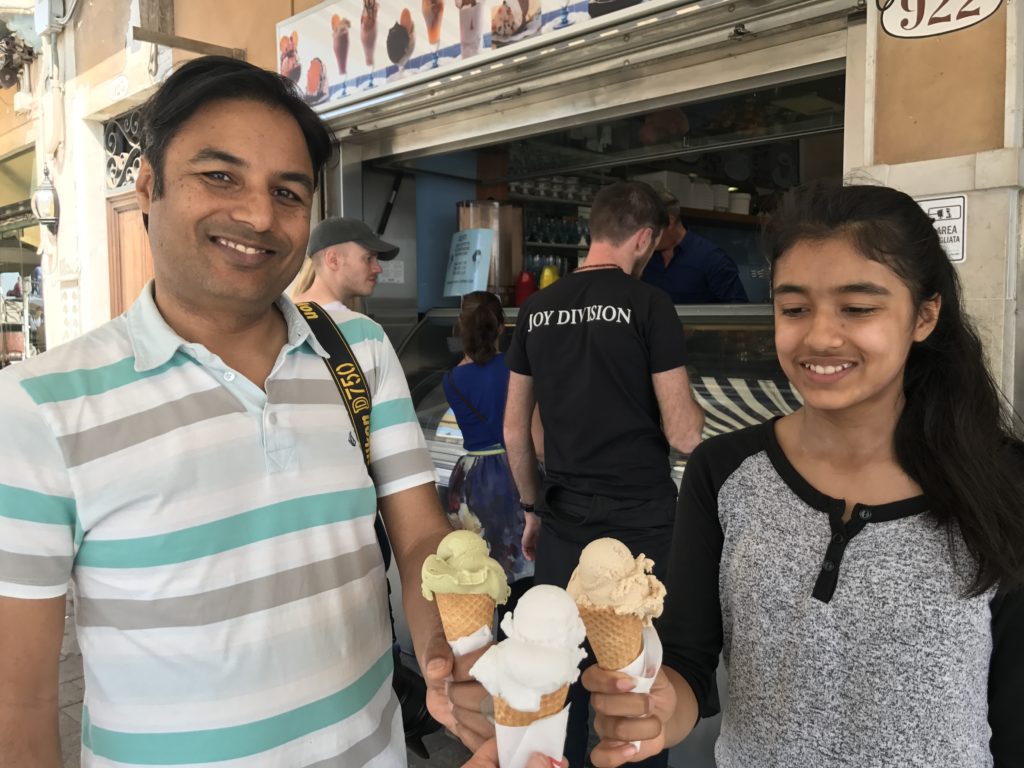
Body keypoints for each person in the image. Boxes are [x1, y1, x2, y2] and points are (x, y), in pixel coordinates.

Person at [0, 56, 492, 767]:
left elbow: (419, 540)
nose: (259, 216)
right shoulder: (40, 407)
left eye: (288, 192)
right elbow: (19, 704)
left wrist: (448, 641)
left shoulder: (358, 351)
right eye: (220, 176)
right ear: (148, 186)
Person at [583, 182, 1024, 768]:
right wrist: (661, 708)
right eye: (794, 308)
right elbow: (688, 663)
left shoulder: (1001, 481)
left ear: (925, 314)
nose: (818, 336)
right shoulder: (723, 474)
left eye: (858, 308)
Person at [504, 180, 705, 768]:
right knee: (634, 688)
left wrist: (531, 508)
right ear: (644, 237)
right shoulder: (649, 306)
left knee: (556, 675)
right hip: (642, 529)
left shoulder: (535, 310)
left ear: (595, 230)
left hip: (564, 522)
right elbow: (685, 434)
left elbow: (516, 430)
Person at [443, 291, 534, 624]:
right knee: (523, 566)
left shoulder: (451, 379)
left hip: (472, 477)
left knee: (483, 570)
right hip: (515, 469)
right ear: (502, 328)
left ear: (461, 327)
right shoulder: (516, 370)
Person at [640, 190, 748, 304]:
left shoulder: (713, 259)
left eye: (649, 229)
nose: (644, 236)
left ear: (670, 222)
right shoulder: (645, 257)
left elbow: (739, 310)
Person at [292, 215, 398, 312]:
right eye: (368, 258)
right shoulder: (364, 328)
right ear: (333, 260)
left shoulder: (284, 315)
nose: (378, 269)